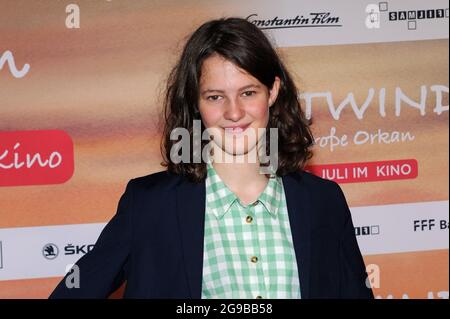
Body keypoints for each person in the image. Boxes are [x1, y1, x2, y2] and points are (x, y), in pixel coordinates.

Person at [49, 17, 373, 299]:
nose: (234, 112)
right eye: (215, 97)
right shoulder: (149, 207)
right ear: (195, 102)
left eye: (248, 92)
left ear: (273, 91)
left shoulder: (323, 203)